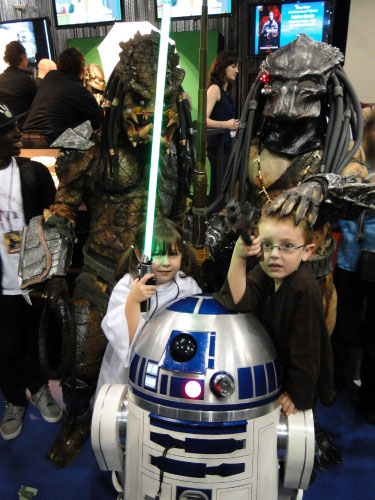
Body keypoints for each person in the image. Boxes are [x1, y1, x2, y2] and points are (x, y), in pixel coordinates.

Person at [18, 31, 194, 468]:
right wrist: (54, 273)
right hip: (100, 274)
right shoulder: (90, 146)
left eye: (163, 102)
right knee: (82, 357)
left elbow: (182, 212)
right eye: (140, 99)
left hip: (157, 276)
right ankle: (79, 420)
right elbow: (64, 208)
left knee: (160, 360)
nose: (152, 114)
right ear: (119, 95)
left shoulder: (176, 154)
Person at [216, 210, 334, 415]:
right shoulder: (266, 269)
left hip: (294, 375)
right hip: (271, 367)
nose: (275, 254)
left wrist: (297, 394)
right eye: (267, 245)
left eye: (287, 246)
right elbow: (239, 301)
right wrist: (239, 256)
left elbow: (306, 349)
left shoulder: (303, 288)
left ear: (307, 251)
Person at [0, 102, 61, 440]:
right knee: (6, 347)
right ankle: (13, 400)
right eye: (7, 130)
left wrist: (54, 274)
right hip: (2, 285)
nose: (17, 133)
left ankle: (39, 389)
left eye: (14, 126)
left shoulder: (32, 172)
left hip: (33, 279)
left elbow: (55, 226)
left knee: (36, 342)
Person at [96, 218, 201, 392]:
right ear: (139, 255)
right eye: (157, 254)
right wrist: (134, 300)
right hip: (125, 375)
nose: (166, 262)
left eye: (173, 254)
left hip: (168, 368)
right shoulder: (128, 285)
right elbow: (124, 343)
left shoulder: (187, 286)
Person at [331, 105, 375, 423]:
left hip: (369, 258)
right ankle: (336, 386)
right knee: (343, 328)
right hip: (349, 259)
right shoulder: (353, 161)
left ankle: (368, 403)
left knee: (372, 335)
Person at [22, 47, 103, 148]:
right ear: (82, 69)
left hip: (25, 139)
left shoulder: (49, 77)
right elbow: (97, 122)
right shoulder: (79, 91)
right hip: (49, 143)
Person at [206, 51, 239, 209]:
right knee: (217, 190)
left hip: (226, 146)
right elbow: (202, 121)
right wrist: (226, 124)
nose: (237, 70)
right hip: (217, 147)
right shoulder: (214, 89)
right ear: (223, 67)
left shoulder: (225, 92)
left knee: (223, 190)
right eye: (233, 66)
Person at [0, 41, 37, 129]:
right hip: (23, 127)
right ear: (23, 56)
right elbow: (39, 102)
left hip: (4, 129)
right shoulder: (26, 80)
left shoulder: (0, 78)